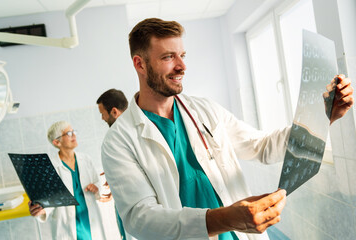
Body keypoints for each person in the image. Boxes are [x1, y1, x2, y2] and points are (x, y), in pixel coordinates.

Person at [101, 18, 354, 240]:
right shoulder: (119, 141)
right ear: (140, 64)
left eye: (182, 56)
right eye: (168, 57)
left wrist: (322, 118)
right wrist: (226, 219)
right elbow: (140, 219)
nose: (182, 66)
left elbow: (262, 146)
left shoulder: (204, 110)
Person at [28, 121, 108, 240]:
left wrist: (96, 188)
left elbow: (98, 184)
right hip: (65, 226)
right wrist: (41, 209)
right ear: (57, 142)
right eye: (69, 133)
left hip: (89, 220)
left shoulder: (85, 159)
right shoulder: (50, 167)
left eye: (73, 132)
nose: (74, 135)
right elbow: (49, 199)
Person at [97, 88, 131, 240]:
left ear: (114, 112)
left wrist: (117, 177)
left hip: (133, 203)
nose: (103, 118)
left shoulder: (116, 135)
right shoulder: (130, 130)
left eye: (102, 113)